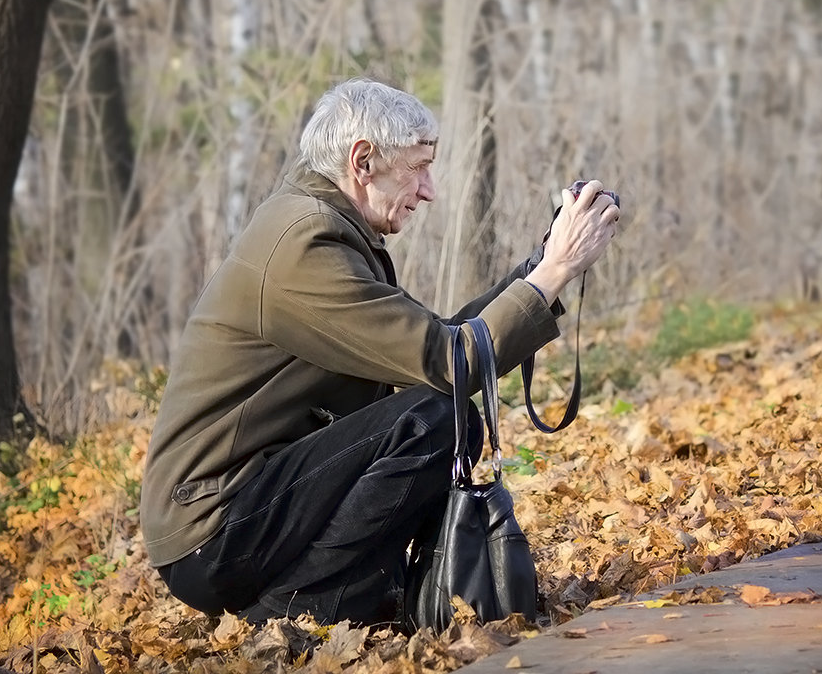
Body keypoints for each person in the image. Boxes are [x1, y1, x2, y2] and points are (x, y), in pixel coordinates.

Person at [140, 78, 620, 626]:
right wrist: (554, 272)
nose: (429, 189)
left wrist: (541, 270)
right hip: (214, 526)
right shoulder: (305, 243)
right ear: (363, 160)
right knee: (435, 418)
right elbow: (452, 361)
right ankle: (298, 613)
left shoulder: (321, 224)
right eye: (418, 166)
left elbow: (434, 348)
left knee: (433, 408)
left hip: (243, 507)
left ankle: (351, 596)